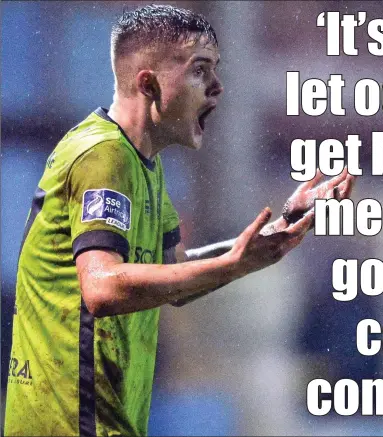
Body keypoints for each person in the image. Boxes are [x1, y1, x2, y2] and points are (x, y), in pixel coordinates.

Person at [4, 5, 355, 436]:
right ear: (149, 84)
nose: (217, 88)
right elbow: (101, 287)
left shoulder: (145, 165)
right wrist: (235, 264)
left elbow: (174, 271)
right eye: (199, 71)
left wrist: (275, 231)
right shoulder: (102, 157)